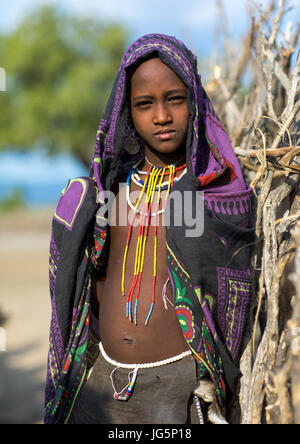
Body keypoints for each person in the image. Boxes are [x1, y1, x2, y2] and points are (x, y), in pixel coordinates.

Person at [45, 34, 254, 425]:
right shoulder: (111, 191)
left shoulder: (214, 194)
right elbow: (92, 279)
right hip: (104, 382)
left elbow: (229, 296)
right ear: (127, 112)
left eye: (175, 99)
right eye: (144, 104)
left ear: (195, 102)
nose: (161, 116)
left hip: (178, 386)